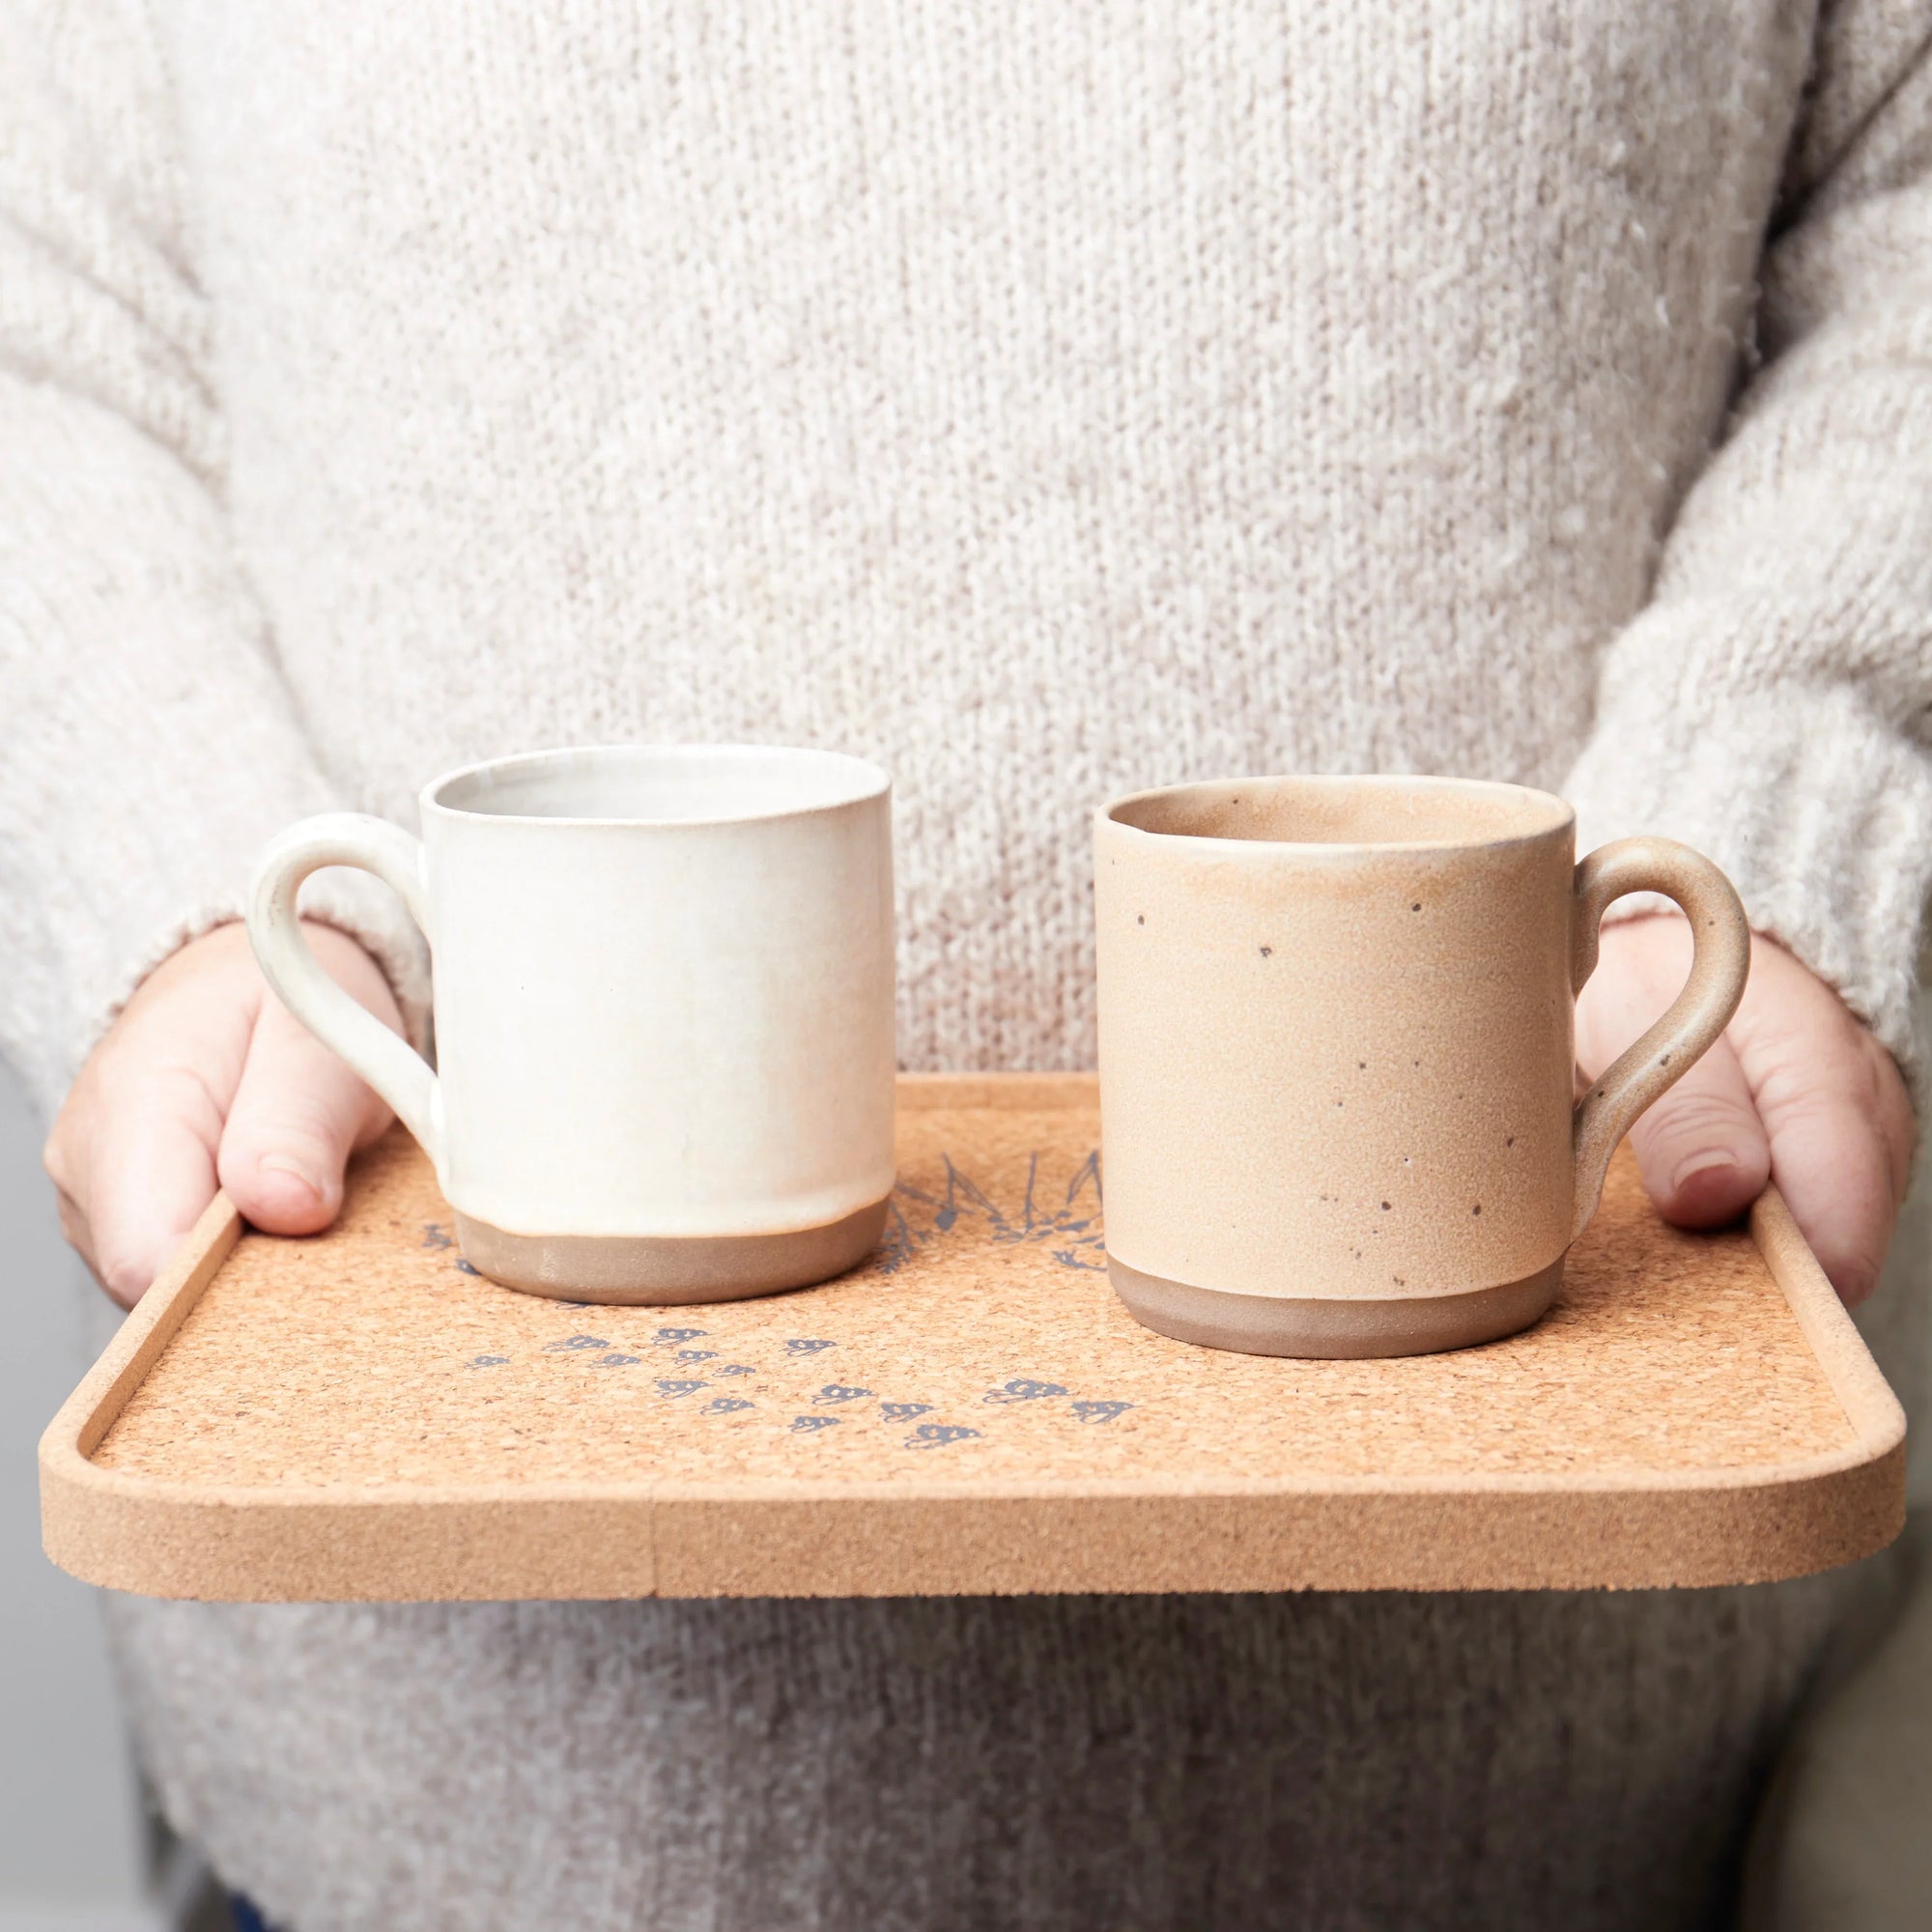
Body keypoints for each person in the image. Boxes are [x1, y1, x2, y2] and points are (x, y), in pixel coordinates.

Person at [3, 2, 1926, 1927]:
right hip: (394, 1810)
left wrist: (1787, 768)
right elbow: (46, 306)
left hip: (1630, 1817)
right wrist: (190, 872)